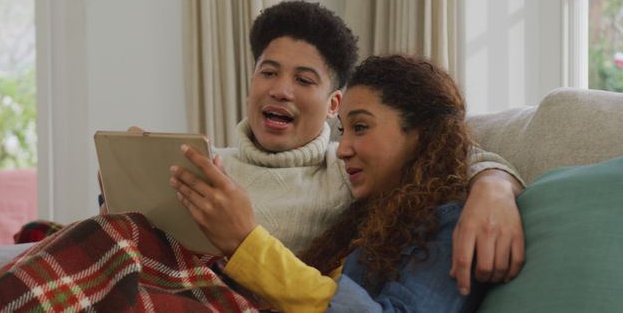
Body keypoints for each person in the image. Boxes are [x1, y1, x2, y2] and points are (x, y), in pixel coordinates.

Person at [170, 54, 488, 312]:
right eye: (343, 131)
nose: (344, 149)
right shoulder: (369, 216)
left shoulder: (450, 224)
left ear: (421, 135)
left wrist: (246, 241)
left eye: (360, 127)